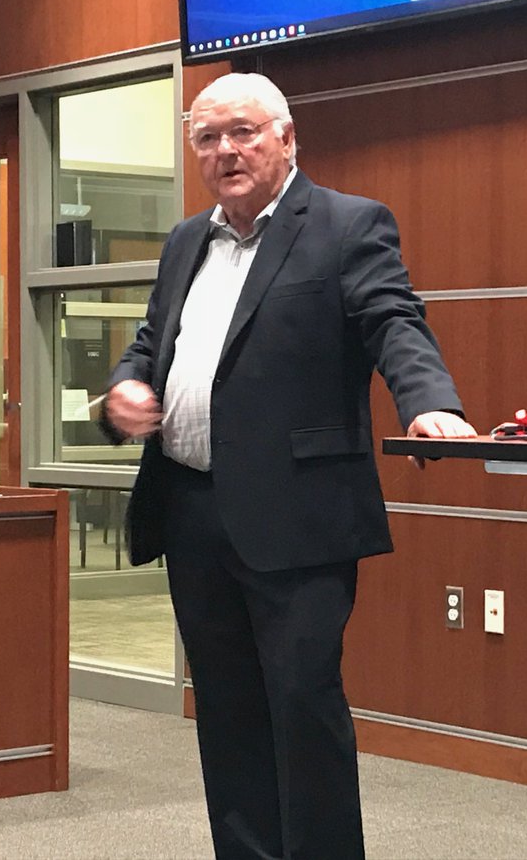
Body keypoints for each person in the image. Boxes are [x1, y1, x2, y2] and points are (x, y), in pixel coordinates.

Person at [102, 72, 476, 859]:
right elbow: (151, 340)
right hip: (193, 512)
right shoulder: (184, 242)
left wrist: (428, 401)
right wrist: (125, 385)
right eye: (208, 137)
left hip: (299, 517)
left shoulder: (344, 225)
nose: (225, 150)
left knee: (303, 709)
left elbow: (394, 321)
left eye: (242, 131)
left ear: (286, 137)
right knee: (228, 713)